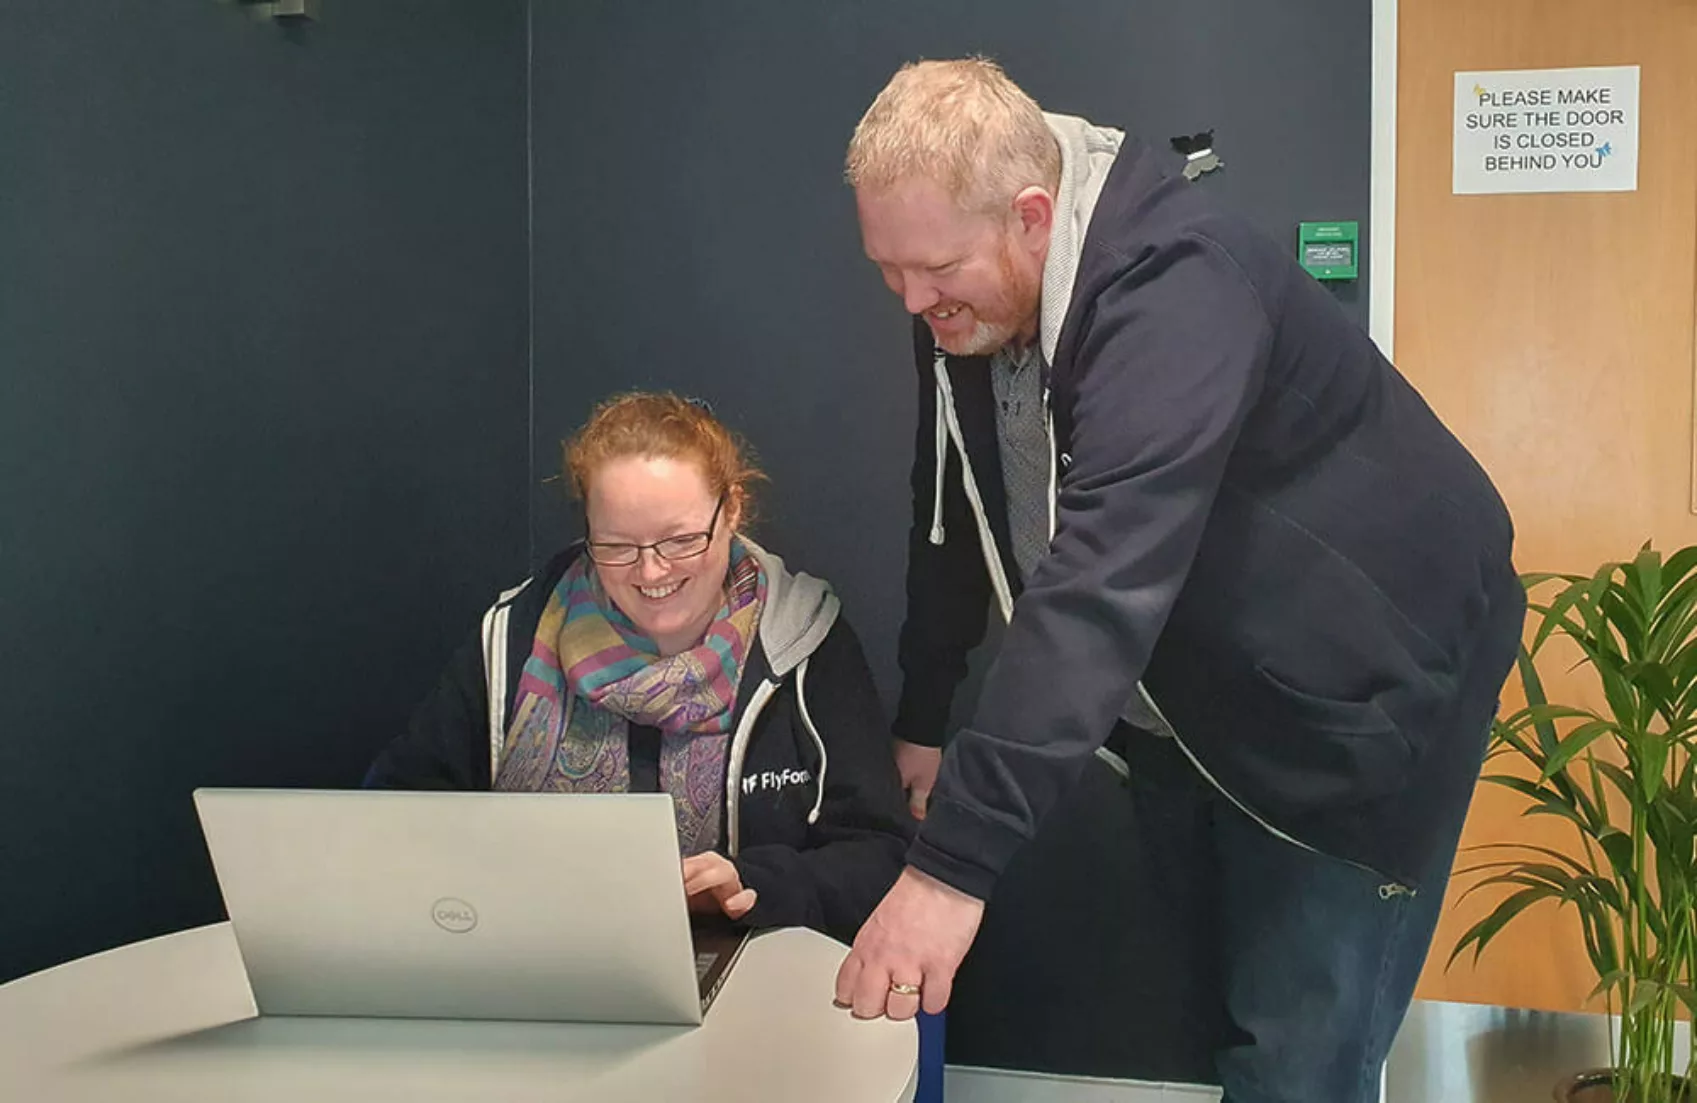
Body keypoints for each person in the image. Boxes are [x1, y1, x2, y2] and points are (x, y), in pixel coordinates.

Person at [833, 57, 1526, 1103]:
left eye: (929, 269)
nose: (910, 297)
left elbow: (1100, 575)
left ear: (1031, 214)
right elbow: (949, 495)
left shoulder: (1179, 284)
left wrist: (948, 868)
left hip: (1359, 700)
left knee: (1297, 1058)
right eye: (887, 269)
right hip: (1187, 702)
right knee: (1216, 1016)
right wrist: (925, 709)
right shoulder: (957, 291)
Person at [366, 391, 911, 945]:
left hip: (748, 974)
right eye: (616, 546)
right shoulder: (513, 637)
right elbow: (398, 815)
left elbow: (879, 859)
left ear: (734, 510)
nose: (652, 571)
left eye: (680, 540)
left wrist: (752, 885)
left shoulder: (805, 640)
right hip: (530, 961)